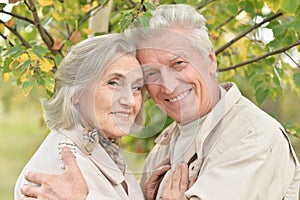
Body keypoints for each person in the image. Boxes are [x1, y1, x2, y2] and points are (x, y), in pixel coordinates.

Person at [20, 4, 300, 200]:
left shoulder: (252, 138)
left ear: (210, 59)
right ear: (78, 91)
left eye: (178, 63)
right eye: (151, 74)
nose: (167, 85)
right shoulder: (61, 171)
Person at [15, 33, 146, 200]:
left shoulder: (102, 146)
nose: (130, 101)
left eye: (136, 87)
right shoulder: (58, 168)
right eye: (113, 83)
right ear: (76, 92)